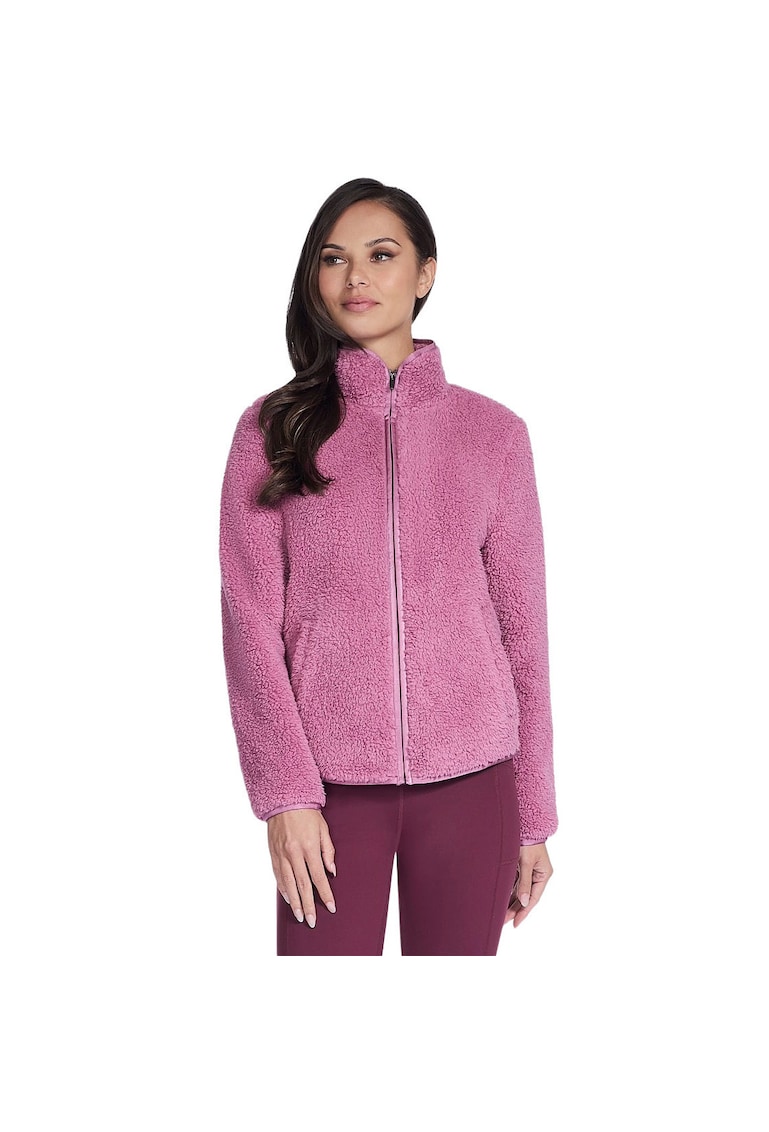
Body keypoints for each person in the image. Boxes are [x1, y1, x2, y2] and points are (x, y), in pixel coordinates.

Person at [219, 177, 558, 956]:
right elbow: (249, 626)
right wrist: (285, 795)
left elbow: (524, 634)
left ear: (425, 273)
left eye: (380, 255)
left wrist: (534, 815)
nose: (356, 278)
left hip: (476, 783)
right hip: (327, 791)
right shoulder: (272, 431)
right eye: (333, 259)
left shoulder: (494, 435)